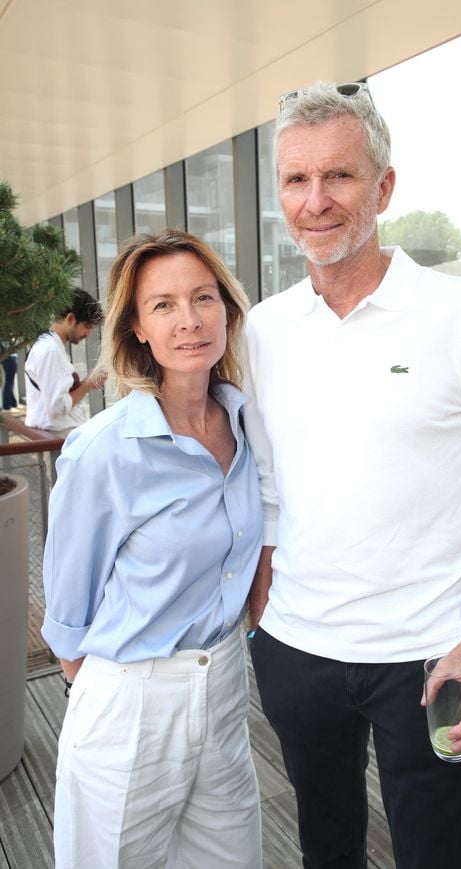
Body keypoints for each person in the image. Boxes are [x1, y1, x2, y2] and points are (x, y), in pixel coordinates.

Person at [242, 81, 461, 868]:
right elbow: (270, 489)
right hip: (297, 654)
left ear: (383, 186)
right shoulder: (263, 330)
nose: (315, 201)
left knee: (440, 855)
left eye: (338, 176)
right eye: (296, 179)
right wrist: (262, 621)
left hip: (434, 655)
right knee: (326, 847)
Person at [42, 230, 263, 869]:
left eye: (203, 298)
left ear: (228, 307)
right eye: (163, 305)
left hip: (223, 689)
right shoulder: (104, 451)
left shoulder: (249, 425)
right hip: (130, 702)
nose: (188, 321)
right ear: (136, 327)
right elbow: (67, 619)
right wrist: (127, 698)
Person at [24, 288, 104, 432]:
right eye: (86, 326)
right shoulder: (50, 350)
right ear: (70, 319)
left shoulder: (50, 345)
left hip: (59, 432)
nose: (87, 333)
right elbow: (57, 408)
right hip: (58, 435)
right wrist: (88, 384)